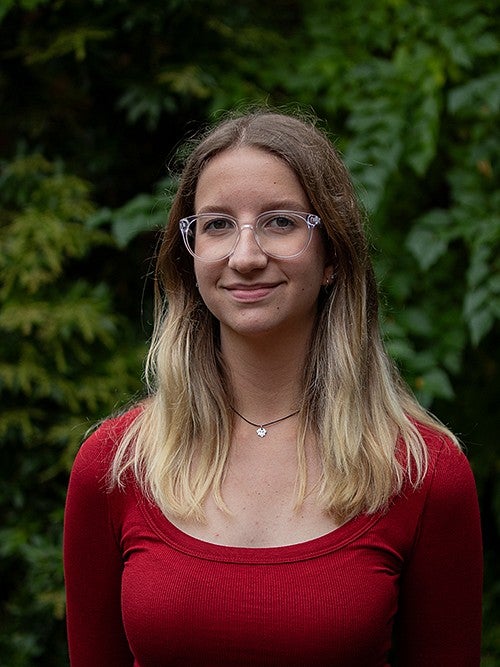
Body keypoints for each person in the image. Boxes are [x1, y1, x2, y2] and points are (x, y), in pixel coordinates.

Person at [63, 110, 483, 666]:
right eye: (216, 225)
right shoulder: (114, 466)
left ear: (331, 252)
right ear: (189, 258)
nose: (245, 256)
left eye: (280, 222)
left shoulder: (423, 474)